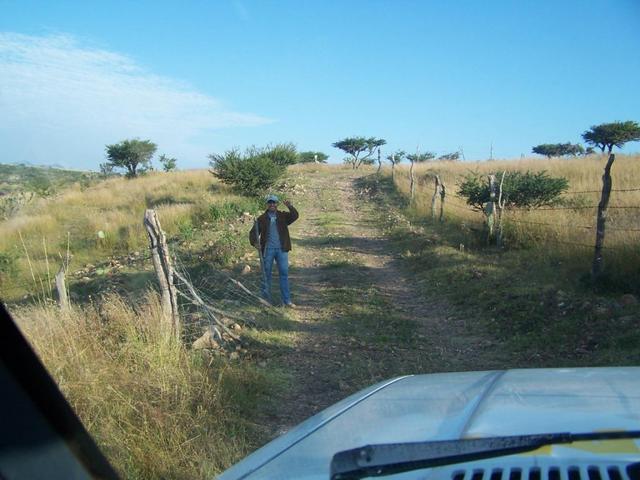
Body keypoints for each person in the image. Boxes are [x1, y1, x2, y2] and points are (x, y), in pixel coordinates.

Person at [249, 194, 299, 307]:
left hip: (282, 249)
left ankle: (287, 301)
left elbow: (295, 216)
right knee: (266, 275)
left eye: (274, 202)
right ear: (267, 204)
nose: (272, 204)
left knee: (284, 274)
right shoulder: (261, 218)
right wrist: (255, 243)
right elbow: (253, 232)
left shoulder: (283, 216)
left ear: (277, 204)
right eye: (270, 202)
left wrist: (290, 206)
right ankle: (266, 300)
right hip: (268, 250)